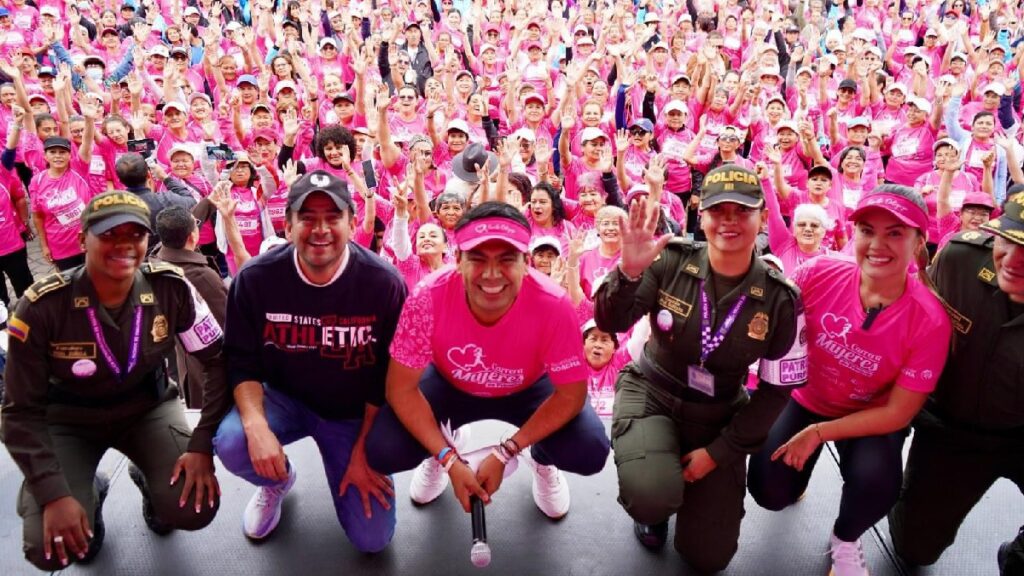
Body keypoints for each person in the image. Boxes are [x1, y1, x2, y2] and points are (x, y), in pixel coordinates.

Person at [593, 165, 807, 573]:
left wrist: (718, 453)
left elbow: (776, 392)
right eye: (718, 210)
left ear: (762, 216)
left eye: (741, 211)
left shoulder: (781, 299)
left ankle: (679, 477)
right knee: (653, 493)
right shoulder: (670, 260)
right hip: (653, 392)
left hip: (719, 413)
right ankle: (655, 504)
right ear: (700, 215)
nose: (729, 221)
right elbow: (610, 321)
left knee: (709, 558)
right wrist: (627, 272)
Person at [2, 191, 229, 571]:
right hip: (68, 421)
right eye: (108, 234)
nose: (123, 245)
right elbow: (19, 411)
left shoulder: (171, 287)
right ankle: (90, 491)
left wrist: (203, 443)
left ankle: (148, 475)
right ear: (81, 240)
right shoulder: (41, 306)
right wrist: (53, 493)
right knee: (50, 549)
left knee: (194, 506)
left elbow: (217, 360)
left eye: (135, 235)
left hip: (148, 408)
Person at [748, 185, 953, 576]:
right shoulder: (818, 272)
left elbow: (897, 413)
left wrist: (820, 433)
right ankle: (796, 479)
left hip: (871, 415)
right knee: (769, 490)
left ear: (919, 242)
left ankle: (845, 538)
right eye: (866, 230)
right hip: (804, 398)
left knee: (876, 482)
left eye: (895, 232)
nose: (878, 244)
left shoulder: (930, 320)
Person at [364, 201, 610, 522]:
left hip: (528, 387)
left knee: (589, 449)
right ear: (457, 260)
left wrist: (507, 451)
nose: (492, 274)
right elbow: (400, 389)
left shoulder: (554, 303)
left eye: (506, 260)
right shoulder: (426, 296)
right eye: (477, 259)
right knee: (384, 450)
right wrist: (449, 459)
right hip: (449, 382)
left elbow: (572, 395)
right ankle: (440, 444)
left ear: (526, 262)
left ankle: (541, 458)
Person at [213, 170, 407, 551]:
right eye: (307, 218)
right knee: (234, 442)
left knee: (373, 540)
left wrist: (363, 451)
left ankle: (348, 460)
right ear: (287, 226)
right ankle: (277, 482)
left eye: (332, 218)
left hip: (351, 414)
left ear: (353, 224)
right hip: (283, 399)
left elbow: (387, 377)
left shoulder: (383, 283)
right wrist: (256, 427)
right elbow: (241, 360)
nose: (320, 229)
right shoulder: (256, 279)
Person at [888, 191, 1024, 575]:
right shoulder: (960, 259)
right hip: (952, 429)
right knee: (913, 549)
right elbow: (915, 332)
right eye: (1008, 240)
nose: (1012, 261)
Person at [151, 206, 228, 409]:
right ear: (193, 236)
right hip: (210, 375)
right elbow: (227, 325)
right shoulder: (200, 276)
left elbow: (177, 224)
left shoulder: (157, 260)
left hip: (185, 367)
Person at [114, 153, 197, 248]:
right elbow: (191, 201)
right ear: (149, 175)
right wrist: (165, 178)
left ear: (120, 180)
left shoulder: (114, 207)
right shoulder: (166, 200)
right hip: (162, 256)